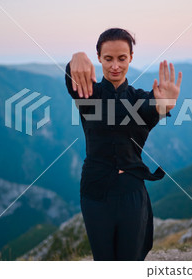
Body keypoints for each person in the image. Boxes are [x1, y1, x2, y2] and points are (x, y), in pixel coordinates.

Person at [64, 28, 182, 261]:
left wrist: (165, 105)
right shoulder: (89, 94)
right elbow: (71, 77)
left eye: (121, 58)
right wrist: (76, 57)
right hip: (95, 192)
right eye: (108, 59)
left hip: (131, 194)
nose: (115, 65)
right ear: (98, 58)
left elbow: (155, 108)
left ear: (131, 58)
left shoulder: (142, 100)